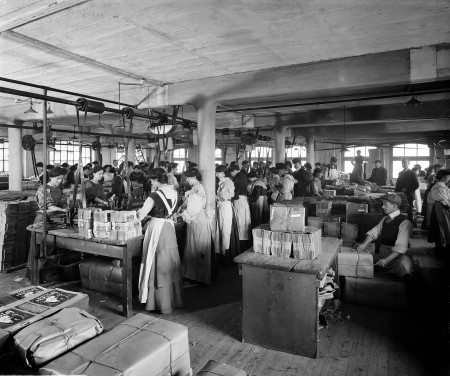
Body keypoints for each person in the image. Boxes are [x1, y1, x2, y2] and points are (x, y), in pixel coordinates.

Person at [137, 168, 183, 314]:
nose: (151, 184)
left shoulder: (154, 195)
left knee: (155, 261)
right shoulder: (175, 193)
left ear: (155, 180)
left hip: (157, 228)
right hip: (169, 228)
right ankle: (171, 299)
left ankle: (155, 302)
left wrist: (134, 217)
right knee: (168, 261)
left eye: (151, 181)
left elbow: (141, 214)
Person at [356, 193, 413, 279]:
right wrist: (364, 244)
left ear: (394, 205)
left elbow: (401, 247)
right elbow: (373, 233)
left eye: (385, 204)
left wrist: (386, 260)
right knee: (361, 258)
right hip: (383, 255)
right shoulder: (385, 219)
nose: (383, 207)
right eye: (383, 204)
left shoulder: (404, 223)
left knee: (404, 265)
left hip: (396, 257)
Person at [174, 168, 214, 284]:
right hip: (197, 218)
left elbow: (192, 209)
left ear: (193, 177)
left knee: (196, 247)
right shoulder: (196, 188)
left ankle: (198, 276)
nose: (186, 180)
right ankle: (195, 275)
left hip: (196, 219)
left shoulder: (197, 190)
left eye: (187, 178)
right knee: (194, 246)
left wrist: (181, 214)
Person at [215, 165, 240, 262]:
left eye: (218, 172)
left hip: (225, 206)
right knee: (220, 227)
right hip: (221, 205)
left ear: (223, 173)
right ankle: (221, 250)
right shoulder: (221, 182)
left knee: (225, 228)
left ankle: (226, 252)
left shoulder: (228, 182)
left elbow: (229, 195)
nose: (216, 174)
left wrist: (216, 197)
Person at [427, 169, 450, 257]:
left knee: (440, 228)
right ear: (445, 177)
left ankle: (440, 247)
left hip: (440, 208)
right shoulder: (439, 186)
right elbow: (444, 199)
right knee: (441, 227)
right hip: (440, 209)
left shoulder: (441, 185)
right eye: (449, 176)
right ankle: (440, 248)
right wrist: (448, 205)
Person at [229, 165, 251, 244]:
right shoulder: (243, 176)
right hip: (243, 199)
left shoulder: (237, 178)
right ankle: (244, 237)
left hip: (238, 199)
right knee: (244, 218)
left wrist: (230, 199)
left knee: (239, 217)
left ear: (234, 171)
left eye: (231, 172)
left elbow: (235, 192)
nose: (231, 174)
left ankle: (240, 237)